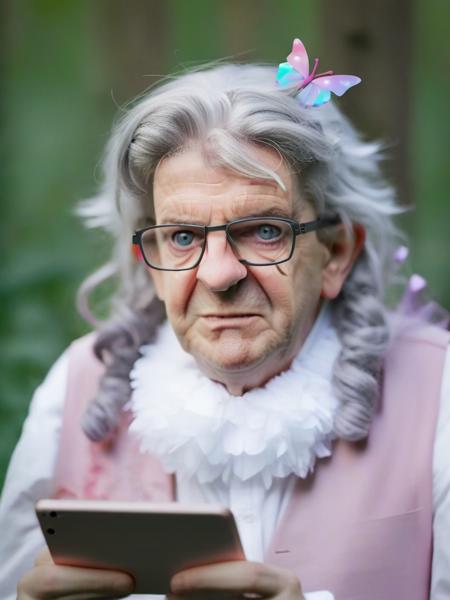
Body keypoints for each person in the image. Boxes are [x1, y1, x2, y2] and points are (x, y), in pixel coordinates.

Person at [0, 38, 449, 600]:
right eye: (183, 237)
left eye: (264, 230)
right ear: (152, 267)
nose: (218, 275)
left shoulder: (439, 392)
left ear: (334, 253)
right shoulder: (75, 386)